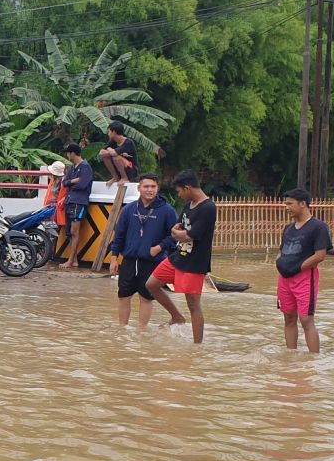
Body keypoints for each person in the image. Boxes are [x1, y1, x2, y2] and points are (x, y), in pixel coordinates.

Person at [146, 170, 217, 344]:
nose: (178, 195)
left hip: (195, 262)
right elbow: (178, 228)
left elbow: (187, 235)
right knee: (151, 284)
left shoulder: (208, 208)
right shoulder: (189, 205)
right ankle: (177, 317)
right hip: (178, 256)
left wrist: (178, 233)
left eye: (179, 191)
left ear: (187, 188)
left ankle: (197, 345)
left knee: (193, 303)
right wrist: (178, 233)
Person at [108, 174, 178, 328]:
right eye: (146, 186)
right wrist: (114, 258)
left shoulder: (167, 211)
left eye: (153, 187)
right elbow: (119, 234)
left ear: (157, 188)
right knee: (124, 296)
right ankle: (122, 328)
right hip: (130, 260)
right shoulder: (129, 209)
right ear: (139, 188)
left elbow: (175, 236)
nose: (149, 190)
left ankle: (141, 331)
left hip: (153, 262)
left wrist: (159, 248)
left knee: (146, 297)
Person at [276, 188, 332, 353]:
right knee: (289, 318)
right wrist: (278, 262)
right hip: (284, 279)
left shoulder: (319, 227)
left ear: (303, 204)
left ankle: (313, 360)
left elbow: (320, 255)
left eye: (289, 204)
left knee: (306, 319)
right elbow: (282, 250)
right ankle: (291, 356)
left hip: (305, 278)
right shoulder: (288, 228)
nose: (286, 207)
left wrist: (297, 268)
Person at [61, 143, 94, 269]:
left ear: (73, 153)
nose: (67, 155)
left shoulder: (85, 167)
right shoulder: (73, 167)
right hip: (71, 200)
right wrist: (74, 181)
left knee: (75, 231)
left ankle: (71, 260)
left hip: (79, 202)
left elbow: (83, 185)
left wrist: (71, 183)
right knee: (70, 232)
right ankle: (73, 260)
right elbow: (65, 182)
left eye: (68, 153)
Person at [99, 121, 138, 187]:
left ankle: (124, 178)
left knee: (116, 158)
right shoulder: (113, 142)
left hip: (131, 167)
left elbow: (114, 153)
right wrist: (109, 149)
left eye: (109, 131)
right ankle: (115, 177)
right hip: (119, 167)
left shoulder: (128, 142)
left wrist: (110, 150)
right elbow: (101, 153)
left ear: (113, 132)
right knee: (105, 156)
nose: (108, 134)